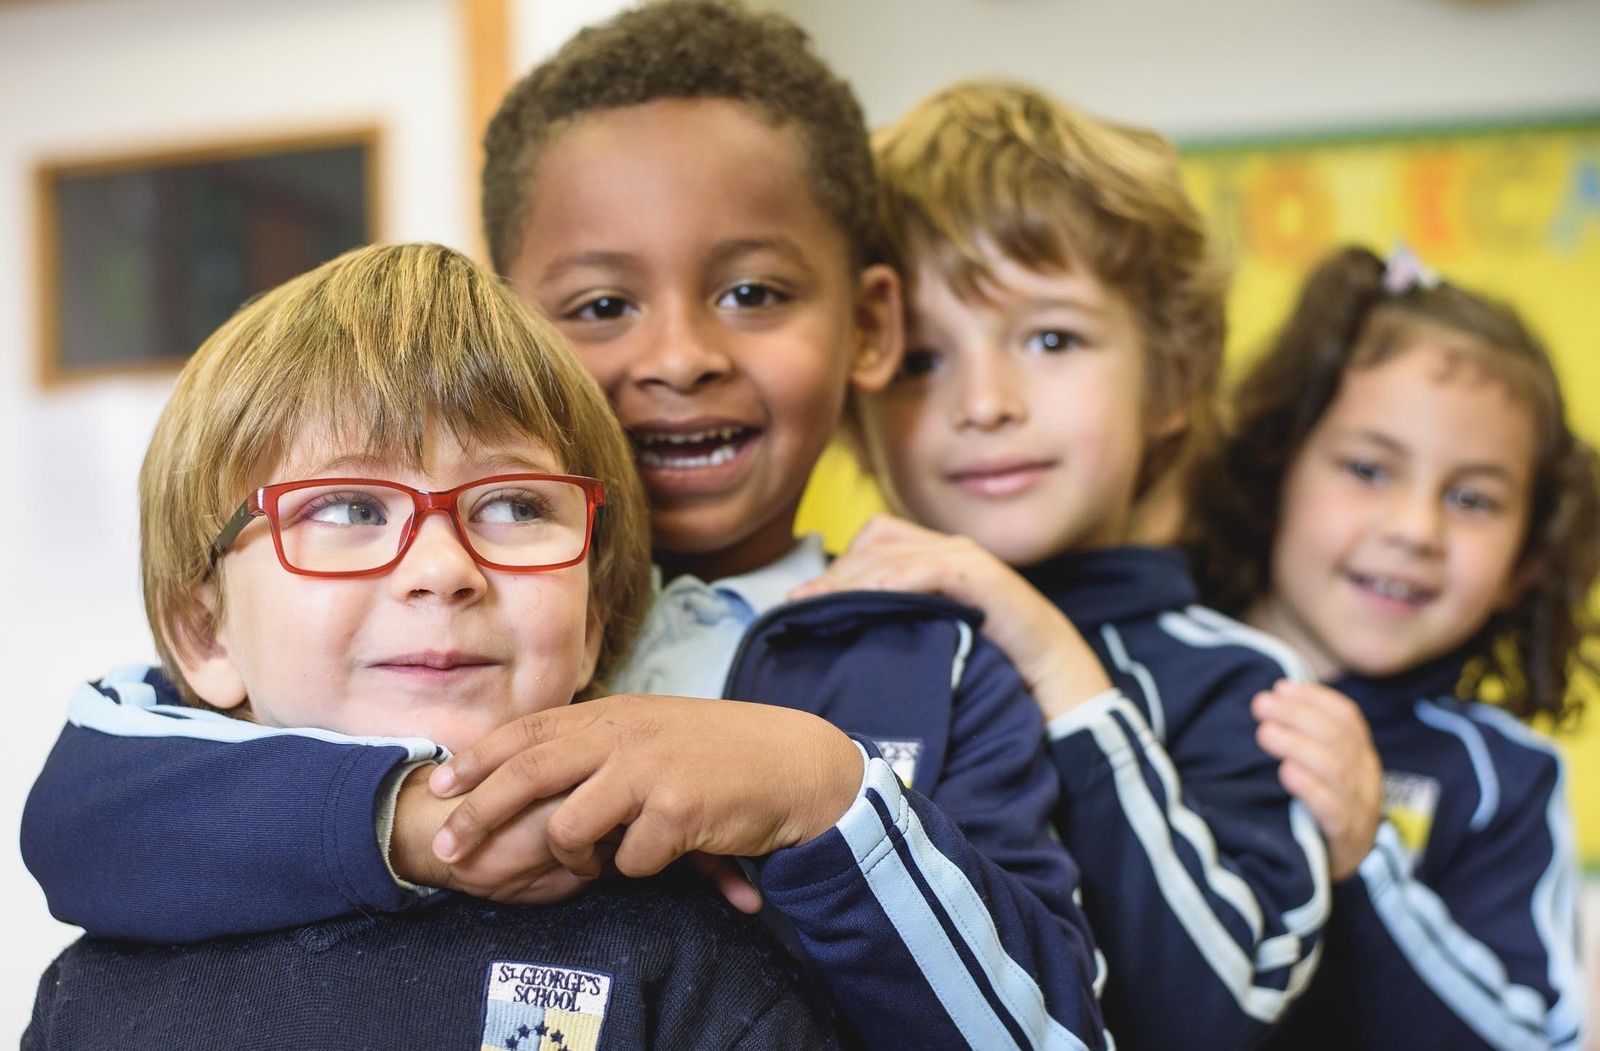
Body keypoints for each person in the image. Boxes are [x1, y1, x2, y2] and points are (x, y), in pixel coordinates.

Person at [22, 7, 1108, 1049]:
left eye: (752, 291)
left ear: (598, 615)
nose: (679, 356)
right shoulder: (377, 666)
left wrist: (820, 790)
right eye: (598, 306)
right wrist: (410, 816)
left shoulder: (935, 654)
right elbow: (85, 811)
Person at [24, 242, 845, 1050]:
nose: (445, 569)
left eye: (517, 506)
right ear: (205, 632)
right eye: (348, 508)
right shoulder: (95, 990)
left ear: (594, 620)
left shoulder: (697, 965)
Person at [793, 81, 1331, 1050]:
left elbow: (1214, 1016)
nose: (986, 401)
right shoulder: (821, 649)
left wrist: (1053, 659)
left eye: (1050, 337)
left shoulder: (1244, 688)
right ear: (857, 406)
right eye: (921, 359)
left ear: (1169, 377)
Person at [1184, 244, 1596, 1051]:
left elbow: (1531, 1039)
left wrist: (1365, 858)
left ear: (1528, 559)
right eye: (1369, 469)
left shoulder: (1504, 782)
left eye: (1473, 497)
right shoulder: (1141, 681)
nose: (1415, 530)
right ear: (1275, 470)